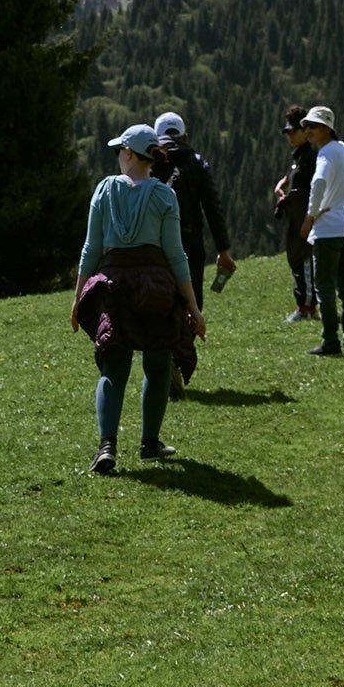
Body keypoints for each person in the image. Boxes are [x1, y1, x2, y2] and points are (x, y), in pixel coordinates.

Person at [71, 124, 206, 474]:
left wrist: (77, 297)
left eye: (119, 149)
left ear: (129, 153)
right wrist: (192, 305)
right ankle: (149, 443)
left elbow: (91, 249)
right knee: (158, 364)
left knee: (113, 367)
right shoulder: (164, 196)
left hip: (113, 286)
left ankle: (106, 448)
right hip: (156, 287)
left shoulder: (104, 189)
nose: (117, 155)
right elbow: (176, 255)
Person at [299, 106, 344, 356]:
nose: (308, 131)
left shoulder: (326, 153)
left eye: (312, 126)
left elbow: (319, 182)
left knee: (324, 287)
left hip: (326, 229)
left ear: (327, 128)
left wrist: (310, 216)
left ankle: (331, 343)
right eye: (306, 126)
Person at [153, 112, 236, 307]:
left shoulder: (149, 163)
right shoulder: (197, 163)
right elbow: (212, 208)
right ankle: (188, 334)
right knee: (191, 298)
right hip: (190, 242)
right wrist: (223, 249)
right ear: (185, 137)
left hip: (155, 242)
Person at [271, 106, 317, 322]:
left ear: (304, 130)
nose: (289, 136)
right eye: (287, 132)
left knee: (304, 258)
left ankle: (306, 307)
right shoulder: (298, 155)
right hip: (296, 216)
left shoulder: (312, 156)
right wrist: (281, 185)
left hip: (306, 217)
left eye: (293, 131)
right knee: (297, 257)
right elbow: (290, 176)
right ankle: (306, 306)